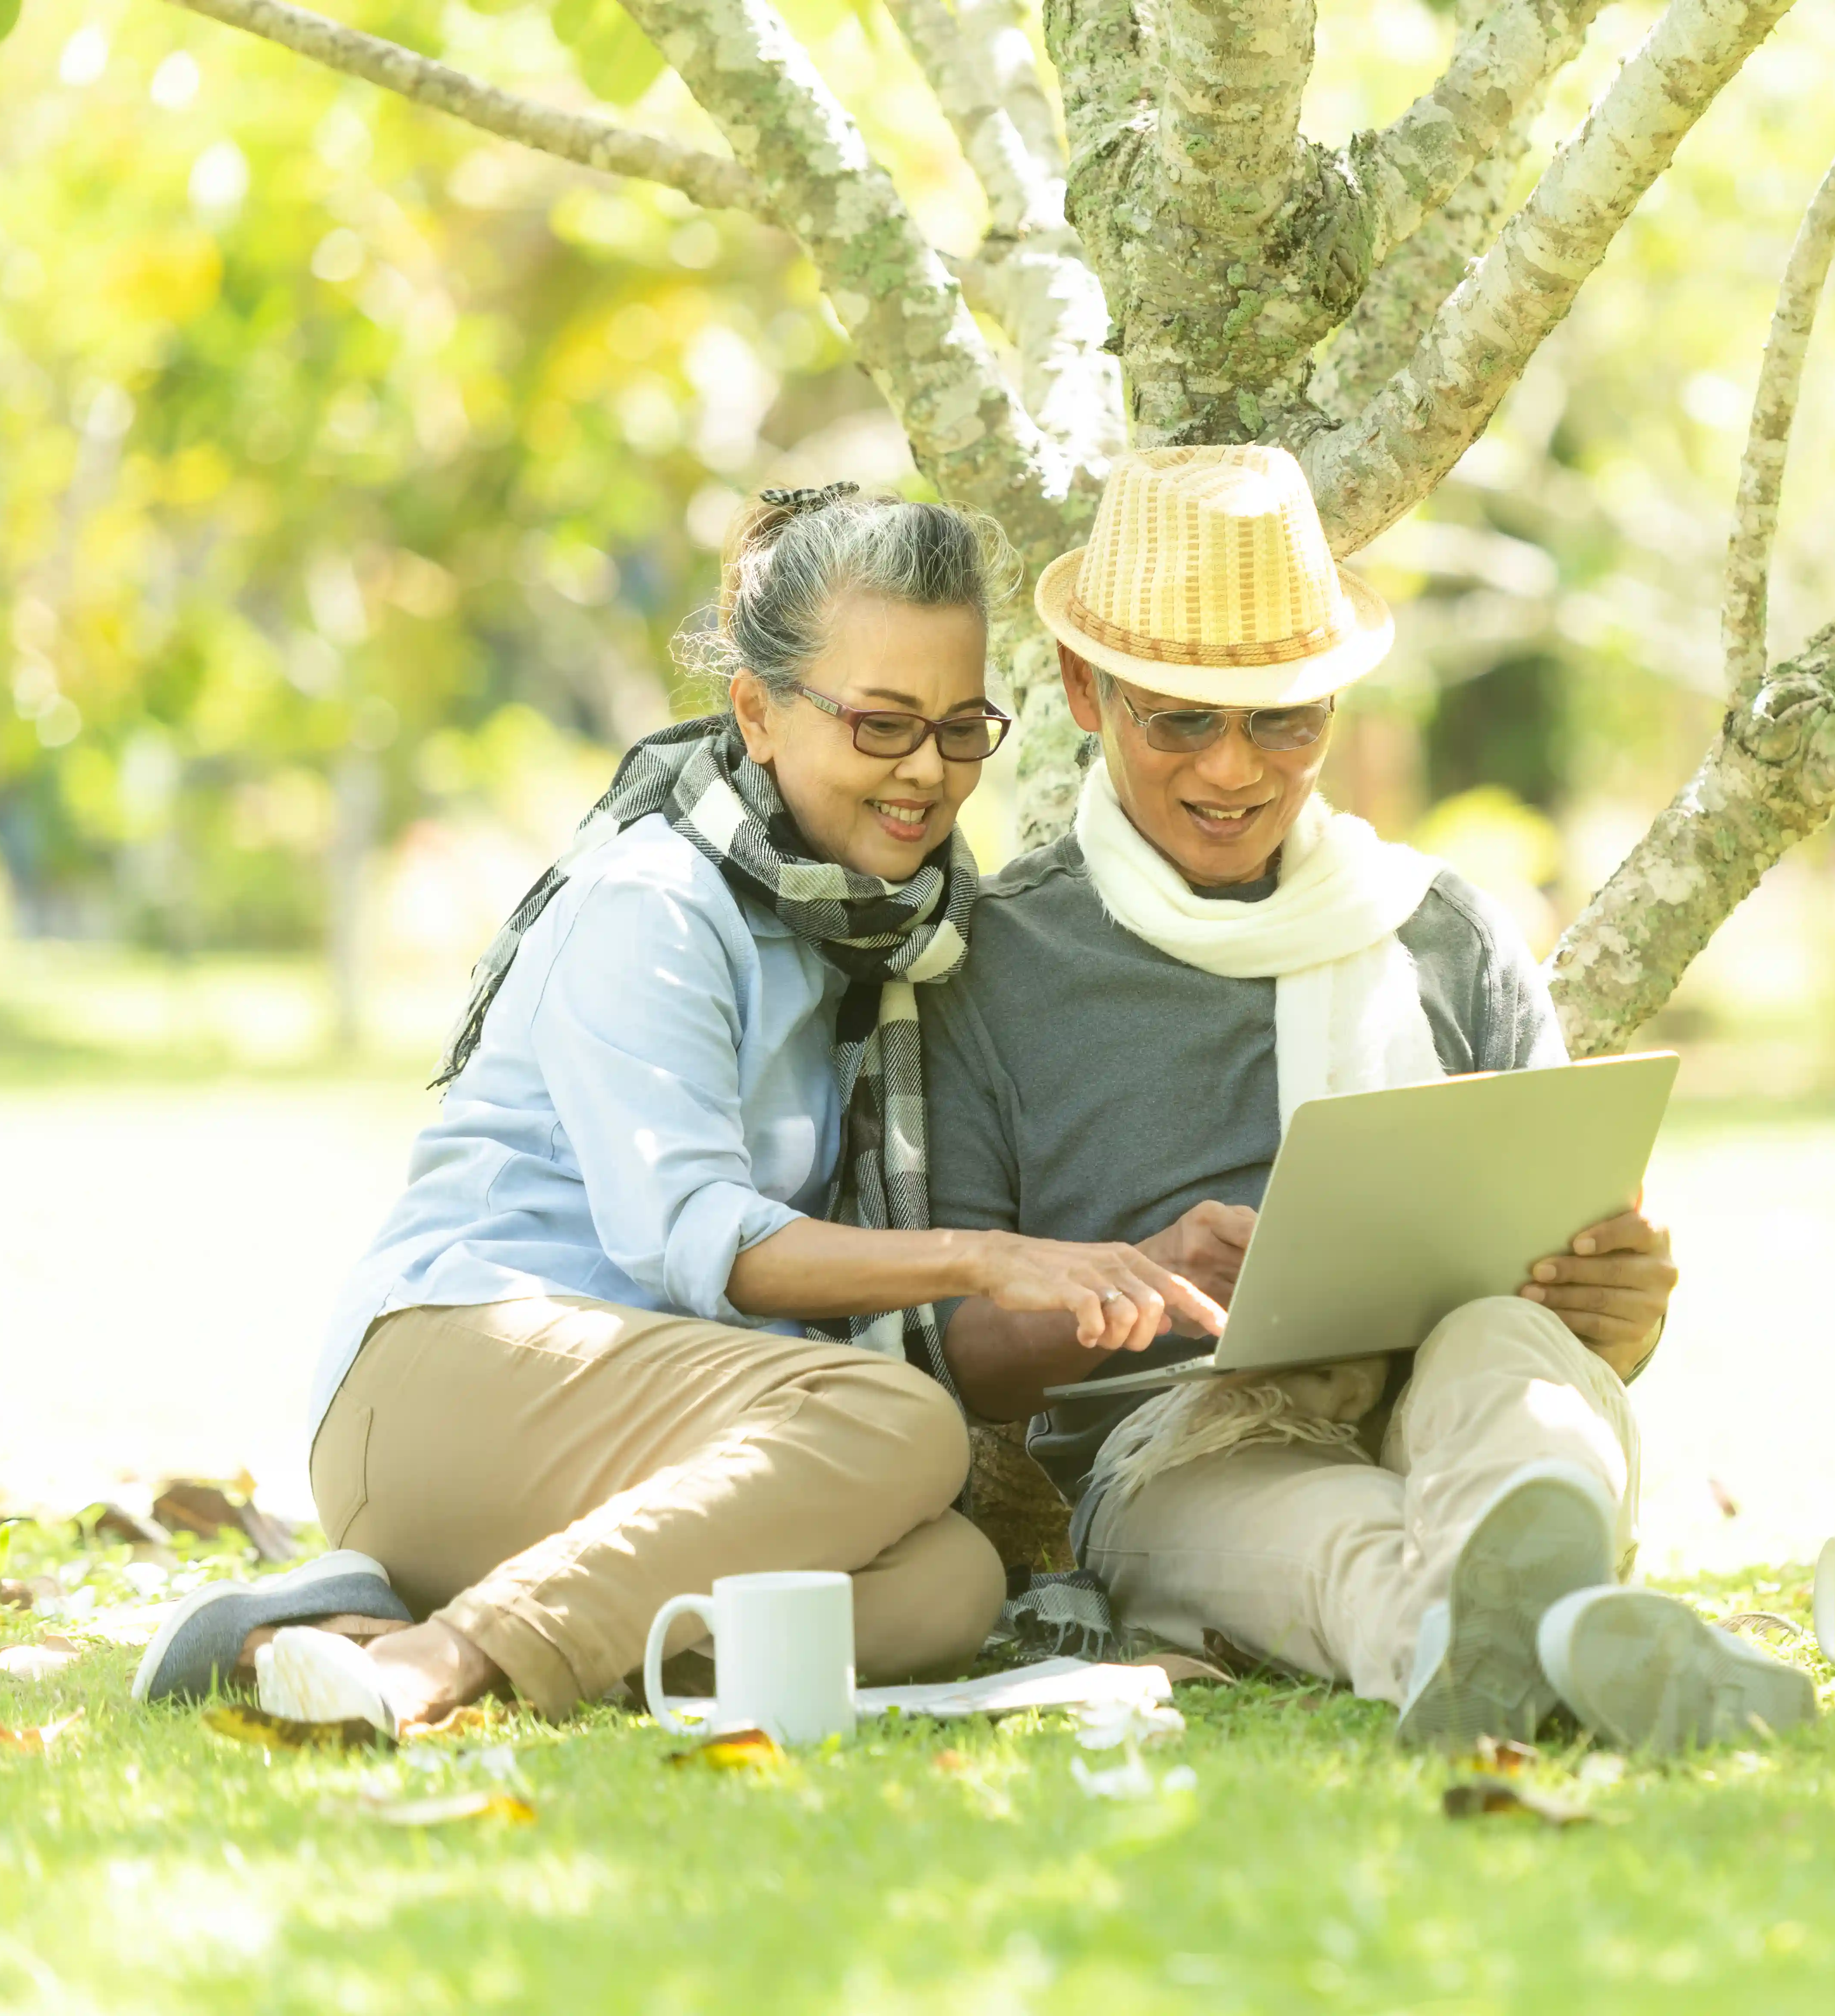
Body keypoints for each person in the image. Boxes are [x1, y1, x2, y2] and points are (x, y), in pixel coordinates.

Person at [133, 484, 1221, 1736]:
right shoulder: (655, 900)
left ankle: (326, 1631)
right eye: (879, 724)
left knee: (947, 1583)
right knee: (897, 1422)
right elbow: (696, 1238)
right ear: (757, 711)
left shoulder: (880, 943)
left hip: (656, 1437)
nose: (926, 768)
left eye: (959, 726)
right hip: (453, 1374)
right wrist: (984, 1256)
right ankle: (443, 1654)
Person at [924, 445, 1813, 1751]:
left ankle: (1512, 1643)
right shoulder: (997, 965)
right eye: (1182, 718)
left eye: (1284, 720)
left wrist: (1620, 1309)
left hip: (1462, 1394)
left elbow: (1577, 1328)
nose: (1234, 771)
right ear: (1083, 689)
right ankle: (1563, 1636)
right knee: (1342, 1544)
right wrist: (1131, 1282)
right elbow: (957, 1352)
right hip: (1182, 1448)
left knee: (1506, 1360)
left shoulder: (1445, 936)